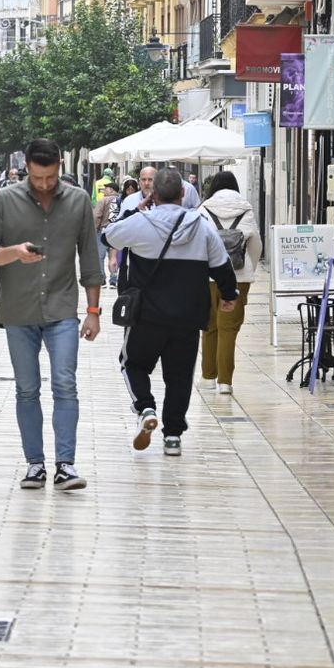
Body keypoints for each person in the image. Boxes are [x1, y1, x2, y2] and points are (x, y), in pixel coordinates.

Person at [0, 139, 105, 491]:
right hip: (18, 310)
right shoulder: (5, 200)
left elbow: (91, 261)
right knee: (27, 390)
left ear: (59, 167)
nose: (44, 184)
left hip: (63, 307)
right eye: (37, 177)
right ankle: (35, 464)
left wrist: (93, 312)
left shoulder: (78, 201)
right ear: (27, 169)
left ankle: (66, 464)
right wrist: (14, 252)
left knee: (65, 384)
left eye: (50, 177)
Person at [103, 168, 238, 457]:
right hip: (188, 316)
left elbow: (108, 237)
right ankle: (173, 436)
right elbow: (221, 265)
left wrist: (136, 211)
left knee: (133, 364)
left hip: (146, 317)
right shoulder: (201, 225)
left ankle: (146, 407)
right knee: (179, 375)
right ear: (182, 194)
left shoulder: (141, 222)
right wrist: (229, 295)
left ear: (152, 195)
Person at [199, 171, 262, 395]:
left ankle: (208, 376)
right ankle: (225, 381)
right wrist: (248, 270)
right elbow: (256, 244)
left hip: (208, 276)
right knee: (229, 328)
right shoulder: (246, 208)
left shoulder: (204, 208)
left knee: (209, 325)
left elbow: (196, 241)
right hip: (238, 276)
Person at [94, 183, 119, 289]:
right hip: (117, 232)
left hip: (104, 231)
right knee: (114, 256)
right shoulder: (120, 200)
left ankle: (102, 279)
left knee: (100, 256)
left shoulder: (103, 200)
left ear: (112, 190)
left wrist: (95, 228)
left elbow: (97, 215)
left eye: (106, 189)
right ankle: (113, 279)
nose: (104, 191)